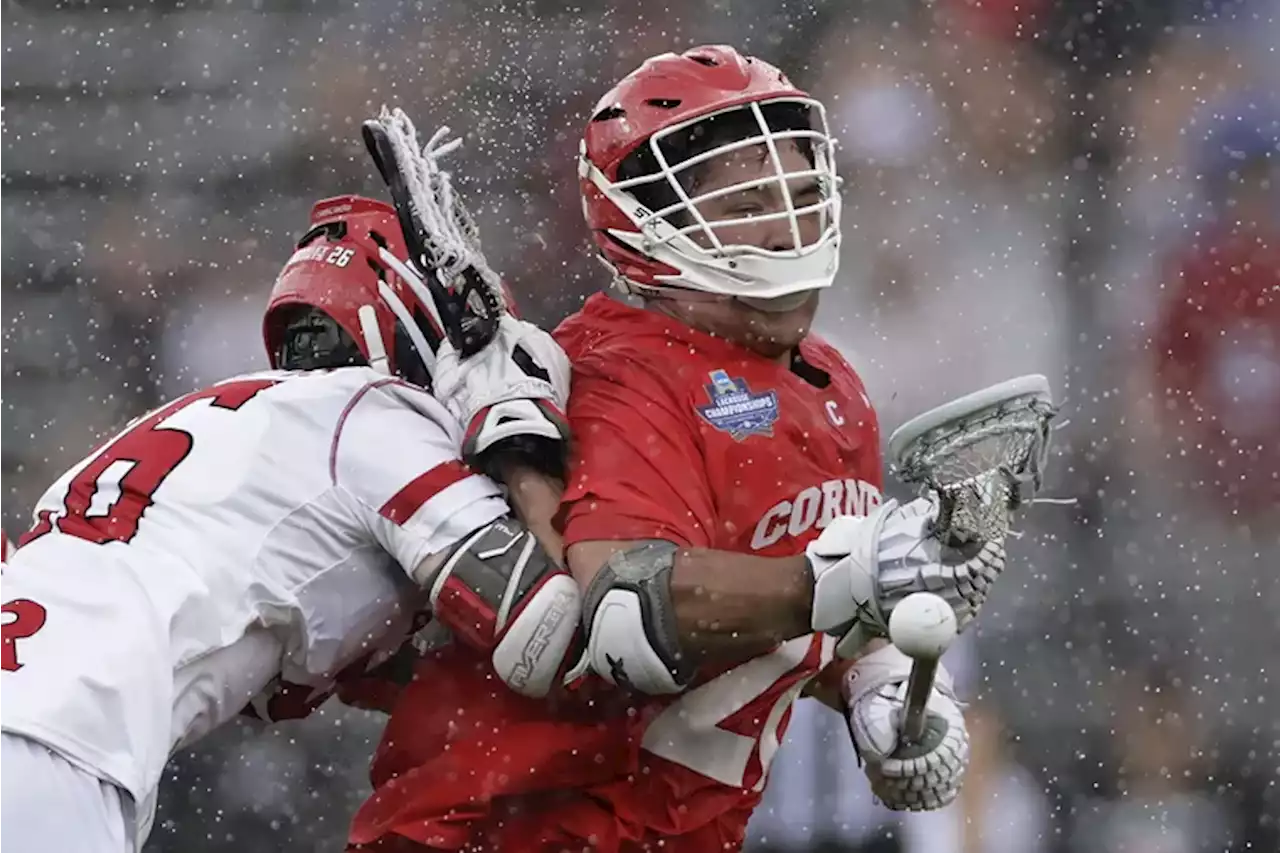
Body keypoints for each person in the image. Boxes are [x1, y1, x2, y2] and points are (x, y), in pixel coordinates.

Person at [344, 47, 1013, 853]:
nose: (788, 221)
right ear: (652, 222)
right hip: (506, 830)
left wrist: (874, 684)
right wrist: (856, 576)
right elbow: (632, 611)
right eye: (752, 198)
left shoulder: (832, 383)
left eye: (802, 191)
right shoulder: (620, 373)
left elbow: (803, 607)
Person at [0, 193, 581, 853]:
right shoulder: (372, 414)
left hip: (44, 718)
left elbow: (287, 677)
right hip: (55, 744)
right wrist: (524, 446)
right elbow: (539, 625)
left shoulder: (213, 425)